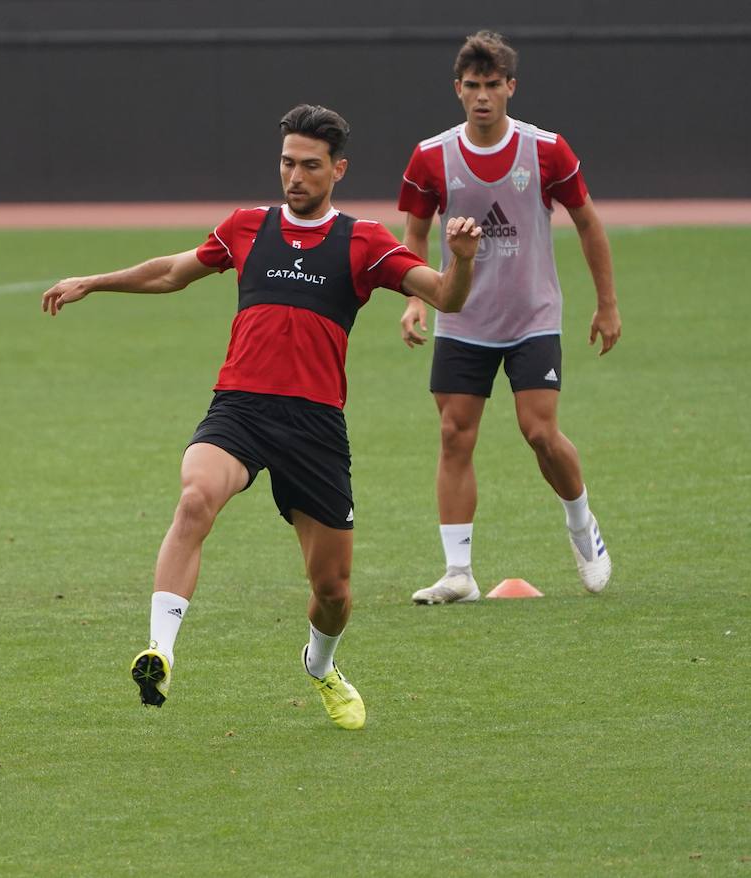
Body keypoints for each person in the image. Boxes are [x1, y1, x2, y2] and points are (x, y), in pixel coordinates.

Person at [41, 105, 482, 729]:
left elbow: (444, 297)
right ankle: (160, 653)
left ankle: (321, 665)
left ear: (338, 169)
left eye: (309, 165)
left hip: (315, 426)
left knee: (332, 592)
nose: (294, 176)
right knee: (195, 498)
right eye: (286, 163)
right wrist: (94, 280)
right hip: (240, 408)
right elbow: (172, 272)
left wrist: (462, 259)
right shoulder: (247, 227)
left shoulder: (365, 241)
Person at [396, 31, 621, 605]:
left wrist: (607, 303)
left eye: (493, 85)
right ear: (457, 89)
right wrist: (416, 298)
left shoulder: (546, 150)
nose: (482, 97)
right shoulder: (431, 156)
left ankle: (581, 526)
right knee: (453, 435)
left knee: (539, 432)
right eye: (472, 86)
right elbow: (416, 233)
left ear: (511, 87)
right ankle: (458, 573)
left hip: (532, 317)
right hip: (463, 318)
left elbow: (589, 223)